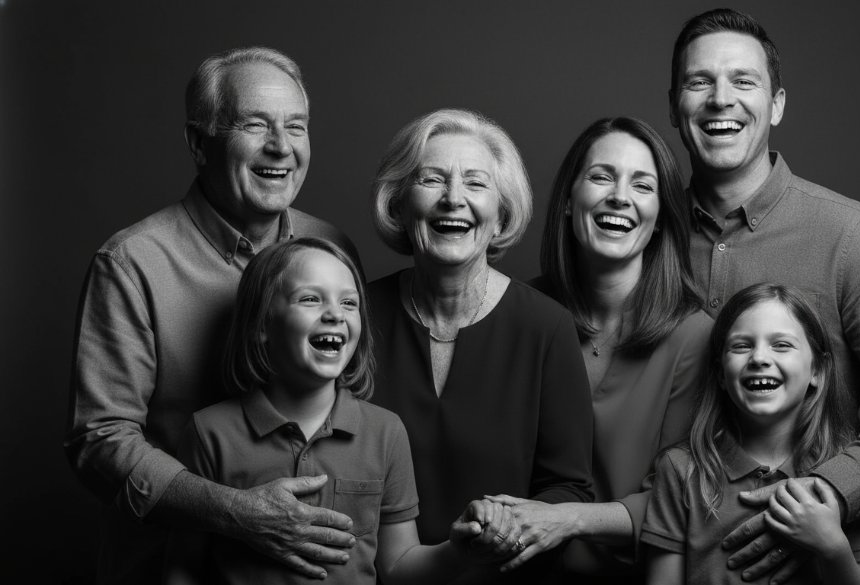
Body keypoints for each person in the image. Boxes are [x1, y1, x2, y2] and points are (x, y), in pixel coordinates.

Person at [667, 8, 860, 581]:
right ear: (676, 103)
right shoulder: (644, 235)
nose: (721, 99)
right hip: (666, 546)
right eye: (700, 82)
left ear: (776, 104)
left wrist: (828, 493)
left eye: (743, 81)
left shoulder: (848, 233)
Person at [64, 47, 362, 585]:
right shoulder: (133, 263)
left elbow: (354, 405)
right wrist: (235, 514)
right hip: (167, 568)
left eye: (297, 126)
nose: (282, 147)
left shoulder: (331, 245)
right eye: (255, 125)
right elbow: (100, 439)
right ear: (199, 143)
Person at [164, 237, 516, 585]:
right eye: (311, 299)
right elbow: (184, 567)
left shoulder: (385, 432)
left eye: (349, 303)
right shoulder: (209, 432)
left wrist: (459, 551)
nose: (334, 314)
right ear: (261, 326)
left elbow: (398, 566)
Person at [366, 108, 595, 583]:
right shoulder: (357, 316)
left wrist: (507, 527)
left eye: (475, 183)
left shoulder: (546, 327)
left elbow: (568, 487)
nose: (454, 199)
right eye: (432, 180)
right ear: (400, 204)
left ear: (501, 214)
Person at [486, 117, 713, 584]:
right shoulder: (516, 314)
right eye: (601, 176)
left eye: (642, 185)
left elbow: (688, 497)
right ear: (569, 202)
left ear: (659, 221)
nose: (619, 196)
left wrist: (567, 519)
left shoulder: (695, 337)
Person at [642, 283, 860, 585]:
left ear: (817, 372)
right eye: (742, 346)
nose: (758, 358)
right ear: (720, 374)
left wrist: (832, 545)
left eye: (781, 345)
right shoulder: (681, 470)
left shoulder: (849, 476)